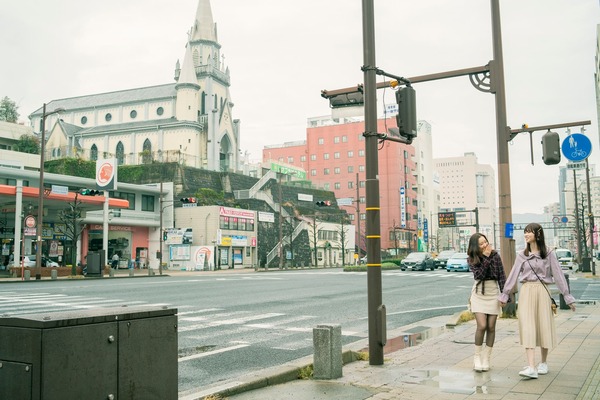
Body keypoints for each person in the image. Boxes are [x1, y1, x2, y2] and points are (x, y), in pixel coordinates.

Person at [499, 223, 576, 379]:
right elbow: (513, 275)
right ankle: (532, 367)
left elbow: (559, 276)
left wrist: (567, 297)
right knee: (527, 326)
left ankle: (543, 363)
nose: (526, 235)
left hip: (542, 291)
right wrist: (505, 295)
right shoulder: (522, 254)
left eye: (529, 232)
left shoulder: (548, 253)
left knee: (543, 326)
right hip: (526, 290)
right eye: (525, 232)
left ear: (538, 234)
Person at [467, 233, 506, 372]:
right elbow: (479, 275)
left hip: (493, 293)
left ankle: (486, 357)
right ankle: (477, 356)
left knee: (491, 327)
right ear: (475, 247)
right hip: (479, 294)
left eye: (485, 242)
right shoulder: (472, 259)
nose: (484, 245)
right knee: (482, 325)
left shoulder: (496, 255)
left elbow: (501, 275)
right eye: (481, 244)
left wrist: (505, 295)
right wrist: (486, 257)